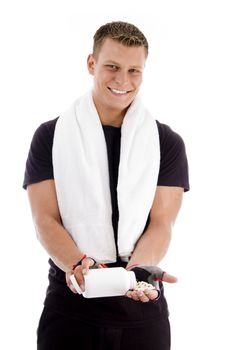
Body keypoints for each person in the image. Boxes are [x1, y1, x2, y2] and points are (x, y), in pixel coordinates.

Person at [23, 21, 189, 350]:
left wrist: (139, 272)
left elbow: (161, 223)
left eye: (134, 70)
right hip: (70, 302)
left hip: (141, 302)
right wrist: (78, 263)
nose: (122, 81)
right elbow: (45, 220)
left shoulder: (166, 142)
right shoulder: (50, 137)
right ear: (91, 64)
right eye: (112, 66)